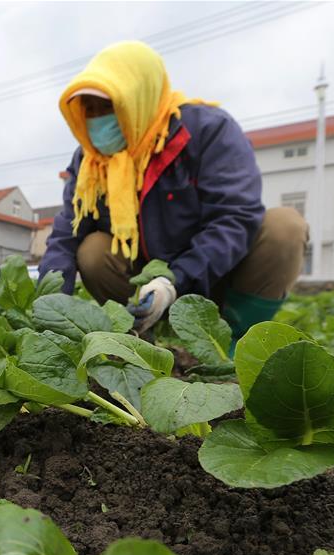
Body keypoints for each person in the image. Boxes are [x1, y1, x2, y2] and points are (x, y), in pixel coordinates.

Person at [38, 41, 308, 349]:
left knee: (284, 227)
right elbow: (66, 234)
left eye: (109, 106)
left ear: (139, 98)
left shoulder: (208, 131)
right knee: (92, 250)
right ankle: (140, 336)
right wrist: (49, 304)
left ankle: (236, 342)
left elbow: (234, 218)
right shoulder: (90, 162)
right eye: (91, 110)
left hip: (217, 278)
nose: (99, 121)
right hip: (146, 291)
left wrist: (174, 281)